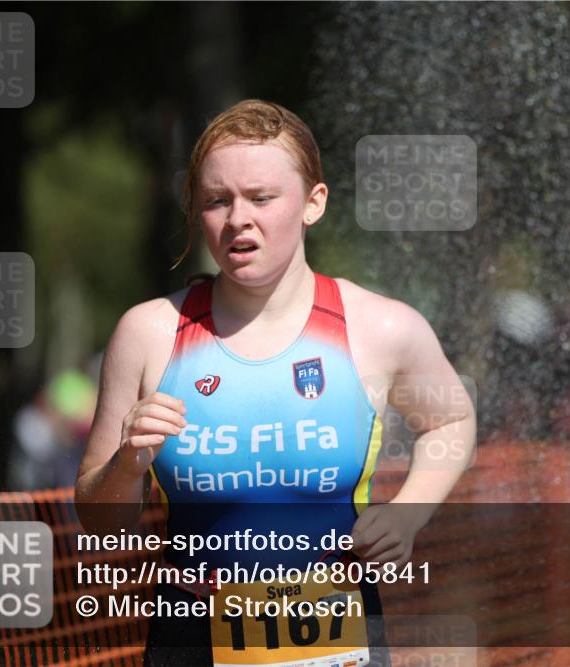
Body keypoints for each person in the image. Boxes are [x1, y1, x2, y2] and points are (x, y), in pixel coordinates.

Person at [75, 99, 476, 667]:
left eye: (262, 198)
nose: (239, 218)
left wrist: (409, 512)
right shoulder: (149, 332)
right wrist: (126, 463)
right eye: (217, 200)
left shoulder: (383, 327)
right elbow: (98, 521)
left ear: (314, 203)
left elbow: (451, 419)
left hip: (339, 637)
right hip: (192, 638)